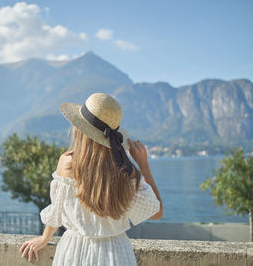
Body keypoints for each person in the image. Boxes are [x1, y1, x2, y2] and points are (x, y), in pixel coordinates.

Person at [20, 93, 163, 265]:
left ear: (80, 129)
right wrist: (144, 165)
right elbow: (156, 213)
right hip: (115, 253)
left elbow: (57, 210)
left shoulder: (67, 163)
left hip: (73, 251)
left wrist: (45, 238)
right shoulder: (126, 170)